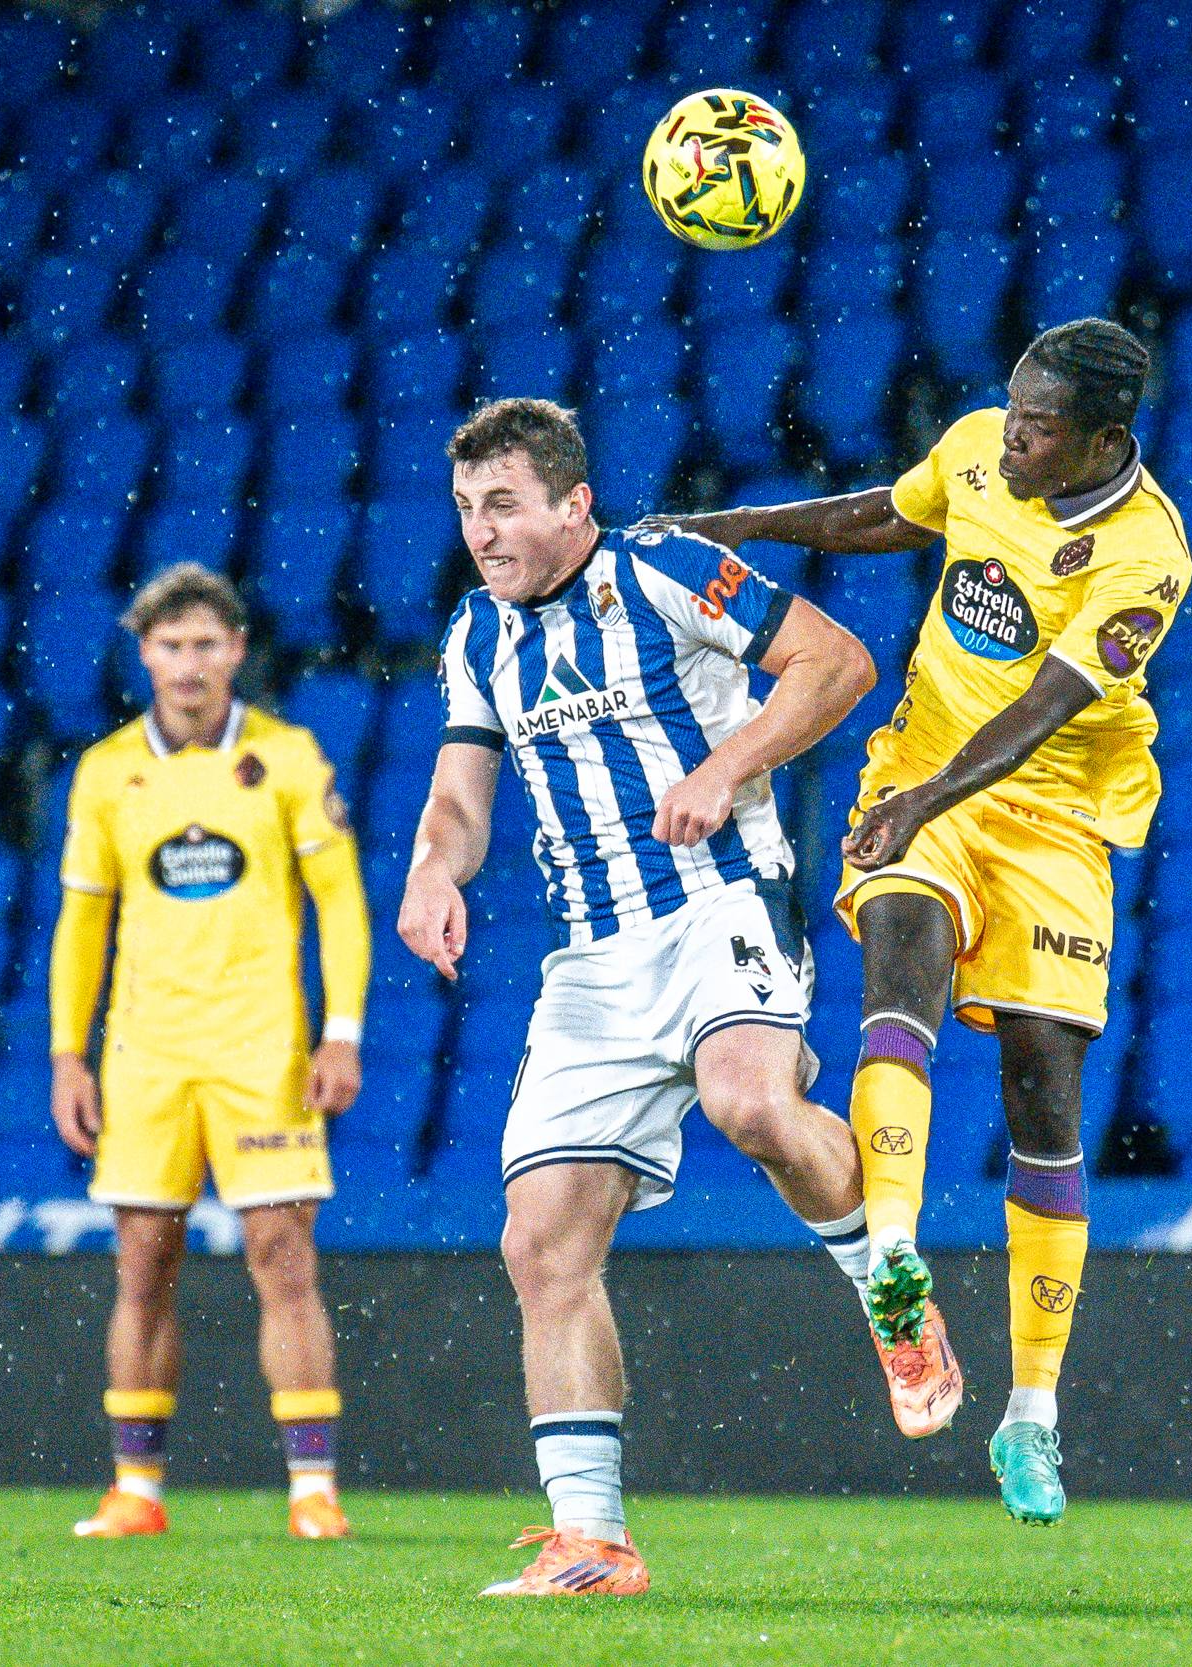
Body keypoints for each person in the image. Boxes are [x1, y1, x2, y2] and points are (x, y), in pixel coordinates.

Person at [665, 319, 1187, 1528]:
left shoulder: (1146, 556)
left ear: (1105, 439)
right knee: (903, 960)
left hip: (1053, 815)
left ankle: (1031, 1417)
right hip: (923, 772)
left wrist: (923, 800)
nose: (1012, 433)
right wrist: (731, 533)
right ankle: (890, 1255)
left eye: (1041, 424)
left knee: (1041, 1098)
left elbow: (1051, 709)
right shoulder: (976, 451)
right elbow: (884, 514)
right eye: (1010, 405)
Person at [397, 398, 919, 1598]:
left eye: (506, 504)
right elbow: (461, 797)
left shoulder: (668, 568)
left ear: (573, 505)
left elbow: (836, 662)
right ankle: (592, 1540)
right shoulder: (475, 637)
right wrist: (433, 868)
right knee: (539, 1245)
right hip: (590, 957)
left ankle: (882, 1280)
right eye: (469, 507)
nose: (482, 530)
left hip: (723, 897)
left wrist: (725, 767)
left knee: (749, 1102)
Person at [48, 563, 372, 1543]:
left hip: (260, 1051)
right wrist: (69, 1054)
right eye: (170, 644)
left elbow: (341, 903)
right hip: (145, 1053)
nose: (188, 662)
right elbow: (81, 922)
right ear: (144, 653)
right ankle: (135, 1489)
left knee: (283, 1256)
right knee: (143, 1262)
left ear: (236, 649)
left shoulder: (286, 756)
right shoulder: (107, 769)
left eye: (205, 643)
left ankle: (312, 1490)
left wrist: (341, 1031)